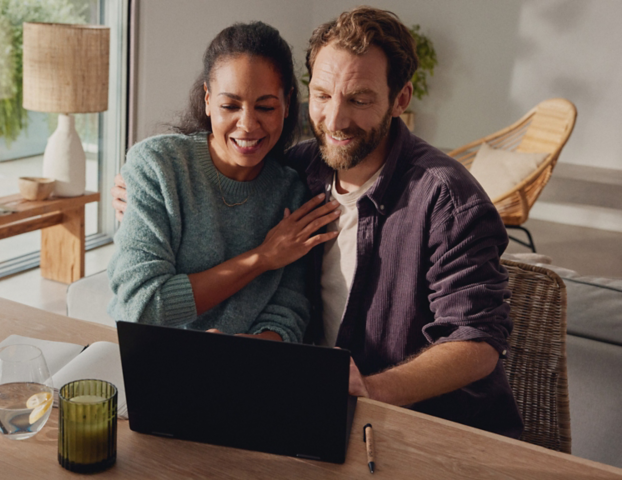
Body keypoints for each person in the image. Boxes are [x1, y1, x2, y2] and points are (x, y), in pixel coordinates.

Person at [112, 7, 523, 437]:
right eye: (323, 96)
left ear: (401, 98)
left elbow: (478, 343)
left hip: (431, 426)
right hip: (316, 408)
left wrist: (371, 388)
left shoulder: (447, 198)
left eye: (360, 99)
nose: (334, 120)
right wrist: (134, 198)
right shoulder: (302, 170)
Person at [107, 21, 340, 343]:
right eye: (230, 106)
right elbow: (141, 305)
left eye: (265, 107)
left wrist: (253, 346)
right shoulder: (158, 166)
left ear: (287, 104)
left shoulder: (293, 192)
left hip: (245, 368)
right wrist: (262, 257)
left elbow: (291, 308)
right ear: (207, 99)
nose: (247, 124)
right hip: (146, 355)